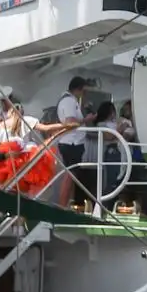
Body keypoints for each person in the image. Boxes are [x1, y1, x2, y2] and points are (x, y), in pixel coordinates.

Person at [54, 76, 90, 209]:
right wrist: (86, 119)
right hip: (71, 143)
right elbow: (70, 122)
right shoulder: (69, 101)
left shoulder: (70, 100)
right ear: (78, 89)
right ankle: (62, 206)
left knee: (71, 175)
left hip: (72, 142)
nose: (84, 94)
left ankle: (66, 204)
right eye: (84, 91)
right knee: (70, 175)